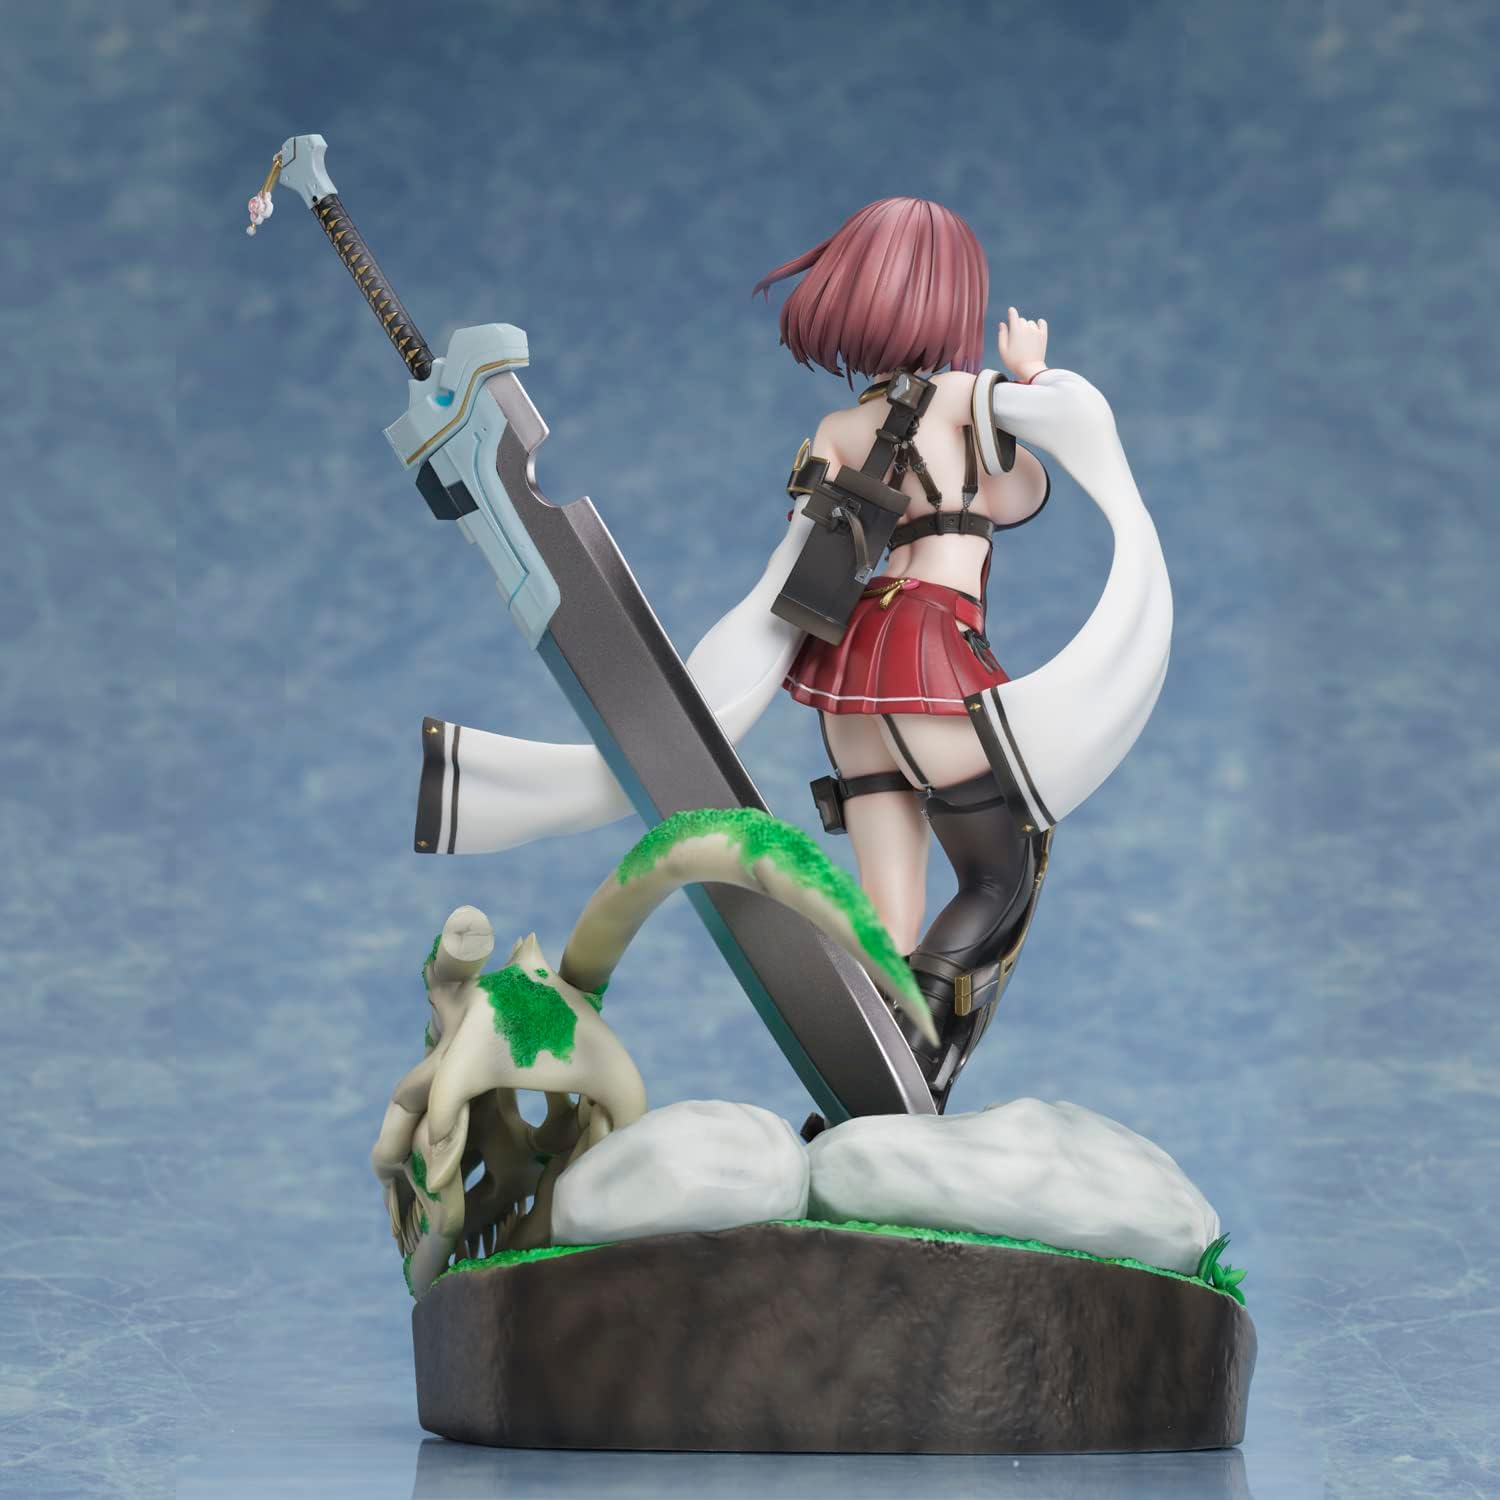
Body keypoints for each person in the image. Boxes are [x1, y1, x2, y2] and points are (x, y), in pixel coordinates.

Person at [751, 199, 1055, 1105]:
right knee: (1003, 872)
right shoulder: (969, 400)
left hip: (852, 664)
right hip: (929, 649)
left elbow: (807, 550)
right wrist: (1030, 383)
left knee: (885, 920)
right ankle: (917, 1066)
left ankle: (858, 1093)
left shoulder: (837, 432)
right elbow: (1024, 495)